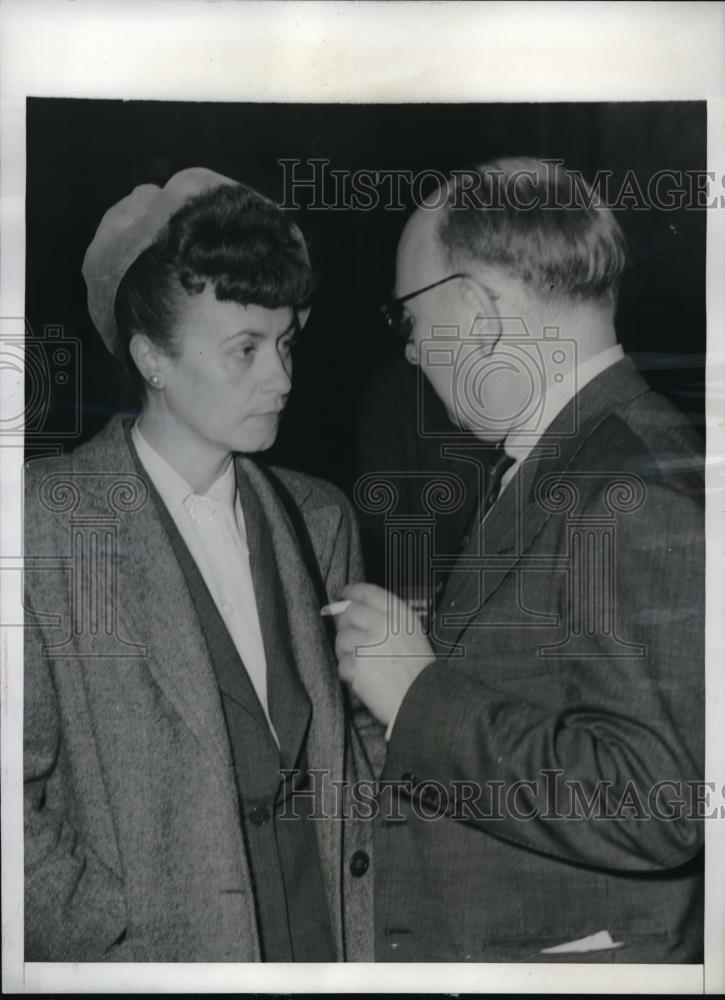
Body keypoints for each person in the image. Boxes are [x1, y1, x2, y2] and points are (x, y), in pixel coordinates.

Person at [335, 158, 705, 962]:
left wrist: (417, 696)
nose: (410, 354)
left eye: (408, 321)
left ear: (475, 309)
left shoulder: (630, 486)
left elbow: (658, 800)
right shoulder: (570, 460)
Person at [23, 167, 383, 962]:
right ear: (152, 359)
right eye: (246, 350)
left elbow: (353, 740)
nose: (282, 378)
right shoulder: (42, 523)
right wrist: (113, 938)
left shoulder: (317, 518)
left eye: (286, 343)